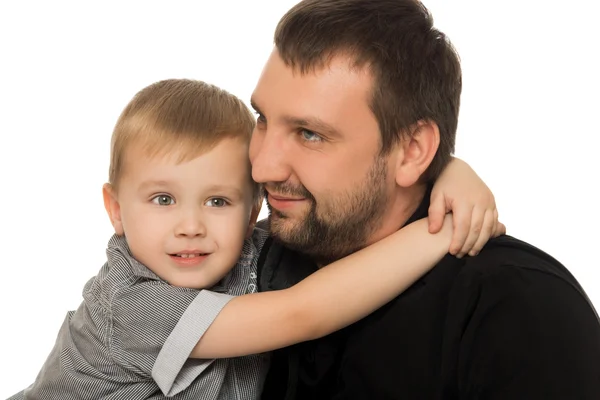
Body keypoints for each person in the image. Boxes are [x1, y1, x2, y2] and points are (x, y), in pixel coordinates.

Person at [9, 79, 501, 400]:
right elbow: (302, 312)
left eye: (217, 202)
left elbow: (347, 225)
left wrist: (447, 173)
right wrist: (441, 233)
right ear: (115, 209)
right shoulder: (132, 303)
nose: (191, 225)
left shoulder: (249, 253)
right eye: (162, 200)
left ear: (253, 213)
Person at [251, 0, 600, 399]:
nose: (262, 168)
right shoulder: (233, 267)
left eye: (310, 134)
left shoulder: (516, 306)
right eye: (262, 119)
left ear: (413, 150)